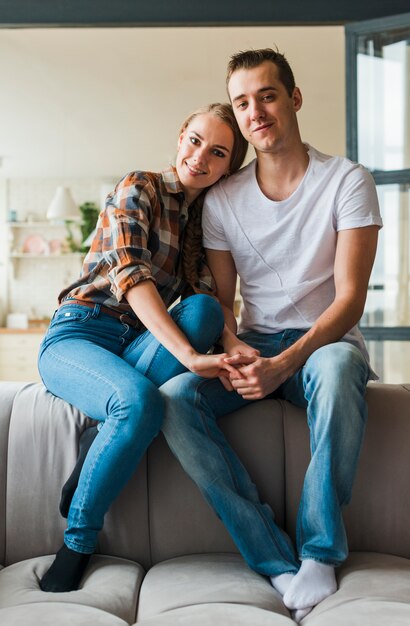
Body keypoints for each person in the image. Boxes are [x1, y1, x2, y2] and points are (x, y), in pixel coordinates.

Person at [160, 48, 382, 622]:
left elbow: (350, 298)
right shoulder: (223, 200)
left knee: (334, 369)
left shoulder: (348, 180)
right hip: (255, 344)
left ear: (294, 99)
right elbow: (223, 301)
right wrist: (233, 346)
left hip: (324, 344)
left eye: (267, 95)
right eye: (242, 102)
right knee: (176, 399)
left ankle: (319, 552)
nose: (255, 110)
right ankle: (272, 557)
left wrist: (286, 363)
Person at [37, 102, 248, 593]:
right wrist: (193, 358)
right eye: (195, 141)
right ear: (181, 136)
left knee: (204, 312)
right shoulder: (140, 186)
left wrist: (234, 345)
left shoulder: (202, 226)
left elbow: (208, 300)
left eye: (217, 153)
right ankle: (77, 543)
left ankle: (100, 441)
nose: (200, 158)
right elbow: (131, 276)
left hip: (137, 347)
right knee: (138, 402)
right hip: (81, 332)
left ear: (227, 166)